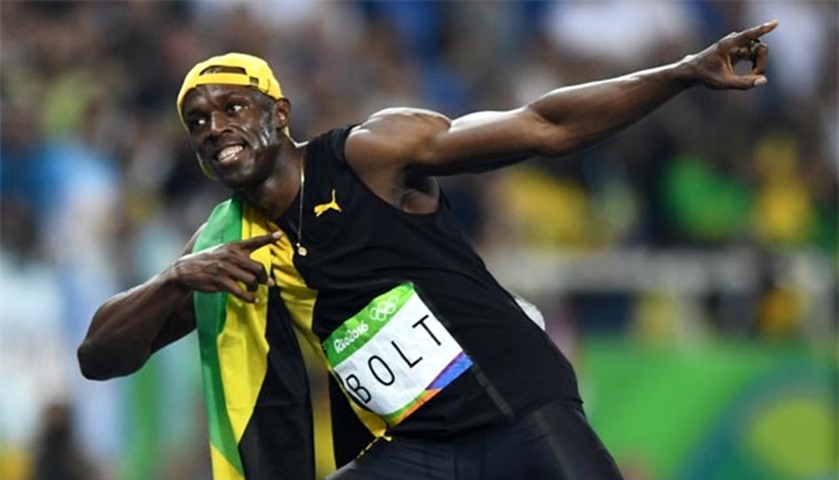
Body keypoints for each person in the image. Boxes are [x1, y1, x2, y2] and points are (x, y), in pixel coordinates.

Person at [78, 20, 777, 480]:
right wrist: (174, 280)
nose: (214, 128)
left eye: (232, 107)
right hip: (419, 450)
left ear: (279, 113)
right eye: (198, 121)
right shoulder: (225, 247)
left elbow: (543, 127)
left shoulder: (369, 155)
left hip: (519, 410)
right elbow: (98, 357)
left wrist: (683, 72)